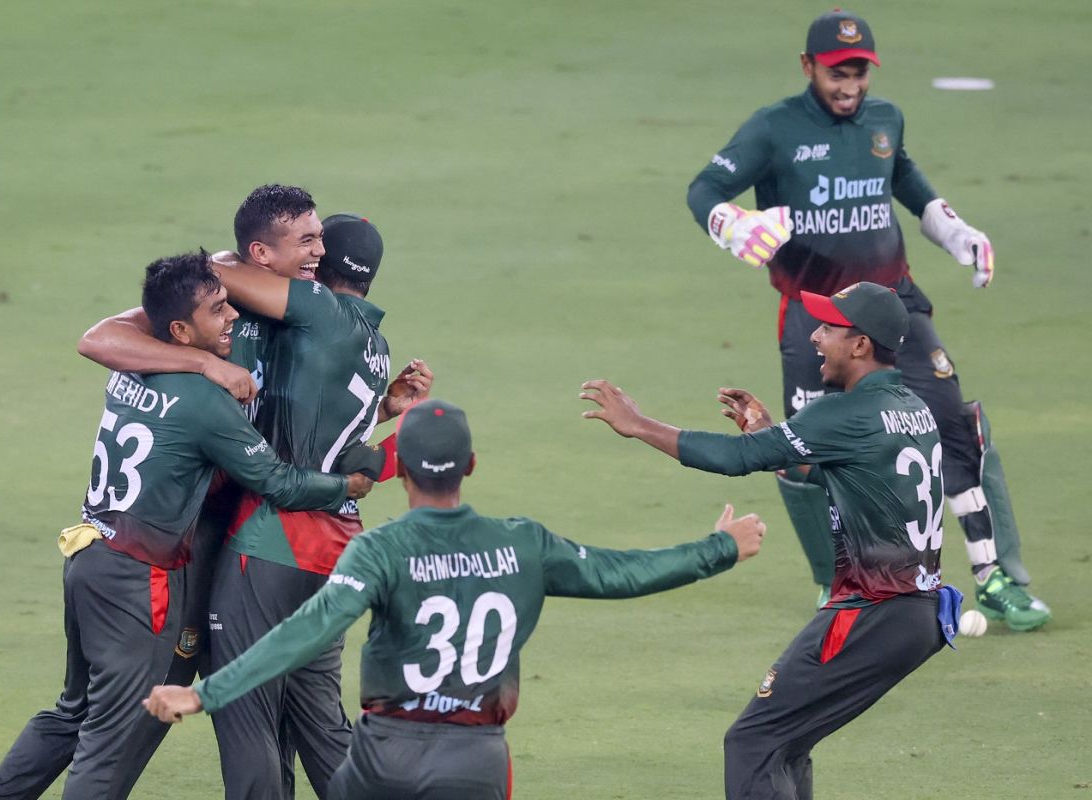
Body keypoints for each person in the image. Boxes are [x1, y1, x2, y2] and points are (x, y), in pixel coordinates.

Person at [142, 398, 768, 800]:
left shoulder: (378, 551)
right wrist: (719, 548)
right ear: (470, 465)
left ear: (401, 471)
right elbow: (623, 574)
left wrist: (203, 692)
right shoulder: (523, 545)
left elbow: (304, 630)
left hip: (385, 758)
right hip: (475, 762)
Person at [684, 8, 1049, 629]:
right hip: (817, 316)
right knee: (803, 452)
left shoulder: (884, 120)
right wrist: (731, 223)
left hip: (895, 304)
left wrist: (953, 229)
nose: (849, 85)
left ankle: (995, 577)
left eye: (858, 72)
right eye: (836, 72)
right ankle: (839, 584)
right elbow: (703, 190)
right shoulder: (775, 128)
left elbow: (902, 176)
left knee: (954, 425)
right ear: (808, 67)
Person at [0, 252, 372, 800]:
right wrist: (342, 488)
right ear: (182, 329)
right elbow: (277, 481)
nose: (231, 315)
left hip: (89, 556)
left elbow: (112, 343)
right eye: (217, 310)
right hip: (138, 586)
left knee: (74, 711)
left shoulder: (133, 367)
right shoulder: (205, 402)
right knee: (108, 742)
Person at [582, 281, 964, 798]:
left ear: (861, 345)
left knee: (753, 740)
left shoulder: (842, 412)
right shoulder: (911, 408)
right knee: (785, 742)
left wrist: (638, 424)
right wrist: (770, 435)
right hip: (914, 616)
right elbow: (840, 475)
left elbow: (734, 461)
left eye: (829, 328)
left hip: (870, 614)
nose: (815, 336)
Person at [206, 211, 430, 800]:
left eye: (312, 245)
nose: (307, 253)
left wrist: (261, 261)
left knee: (245, 704)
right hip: (337, 551)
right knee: (316, 718)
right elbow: (344, 446)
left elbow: (210, 276)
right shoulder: (375, 346)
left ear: (319, 266)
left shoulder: (316, 308)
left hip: (275, 542)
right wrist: (386, 413)